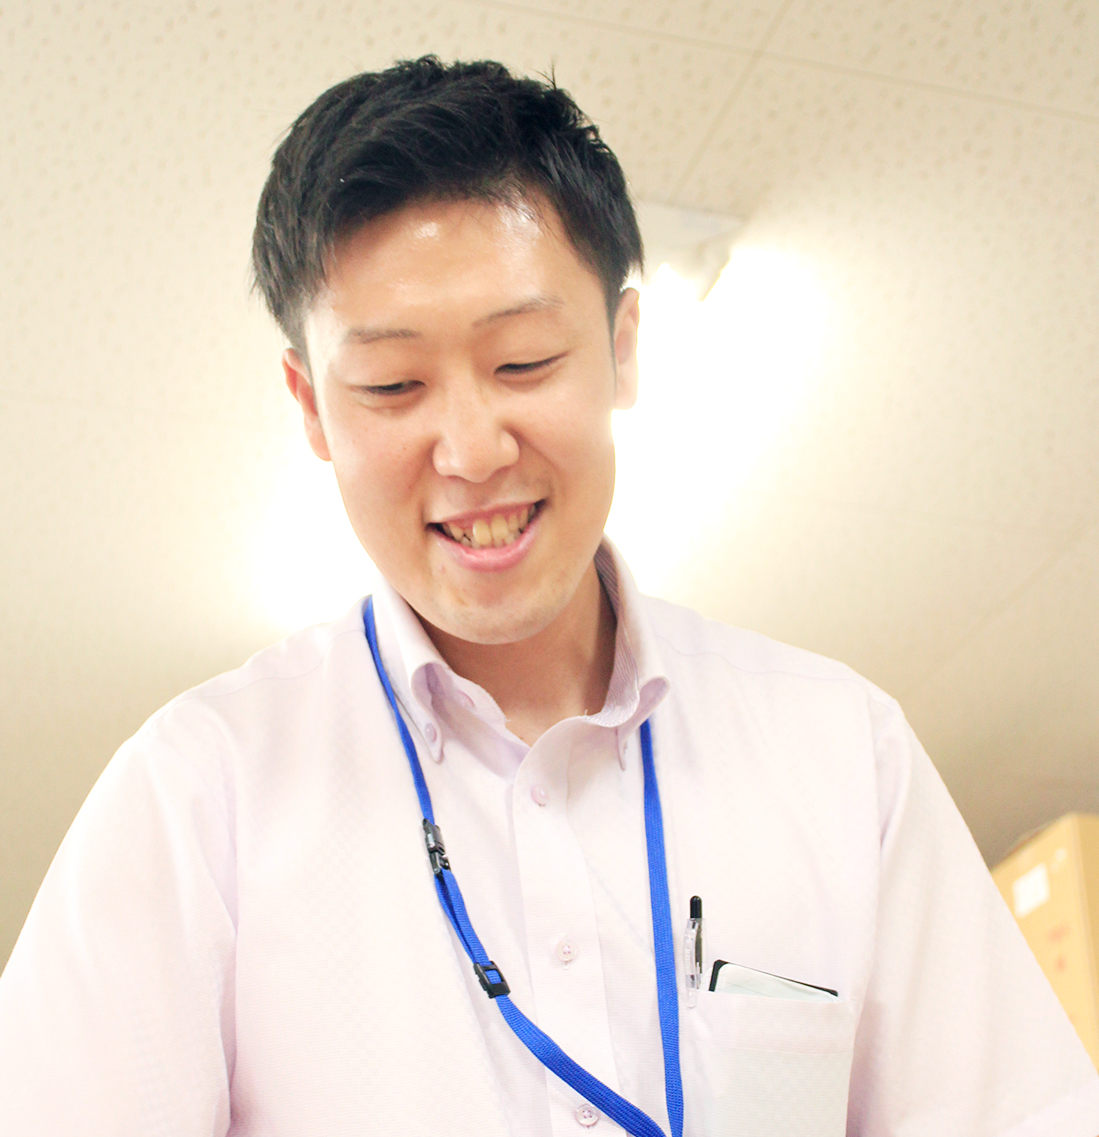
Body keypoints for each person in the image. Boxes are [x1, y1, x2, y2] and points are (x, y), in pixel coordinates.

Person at [1, 56, 1096, 1137]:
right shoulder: (198, 795)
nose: (472, 449)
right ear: (311, 407)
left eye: (522, 361)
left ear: (622, 349)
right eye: (392, 385)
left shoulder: (841, 752)